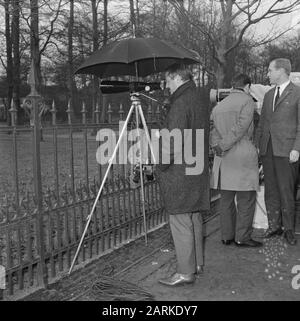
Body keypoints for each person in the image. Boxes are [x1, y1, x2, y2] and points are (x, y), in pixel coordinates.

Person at [155, 63, 210, 286]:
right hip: (196, 168)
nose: (166, 86)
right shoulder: (199, 97)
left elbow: (173, 141)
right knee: (194, 216)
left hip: (180, 171)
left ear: (177, 77)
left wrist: (160, 164)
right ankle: (196, 264)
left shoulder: (180, 102)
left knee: (180, 219)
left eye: (168, 81)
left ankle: (185, 273)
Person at [210, 74, 262, 247]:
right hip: (242, 155)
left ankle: (227, 236)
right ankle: (243, 237)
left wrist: (218, 145)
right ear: (247, 87)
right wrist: (224, 144)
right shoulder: (247, 101)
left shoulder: (219, 105)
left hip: (223, 158)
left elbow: (213, 130)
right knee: (246, 199)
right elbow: (242, 127)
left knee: (226, 200)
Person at [255, 58, 300, 246]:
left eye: (270, 70)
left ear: (281, 71)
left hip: (287, 150)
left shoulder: (297, 93)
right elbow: (263, 123)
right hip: (268, 149)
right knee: (271, 190)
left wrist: (297, 148)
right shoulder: (268, 94)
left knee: (286, 191)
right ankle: (274, 226)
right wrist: (259, 145)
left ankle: (288, 229)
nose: (268, 74)